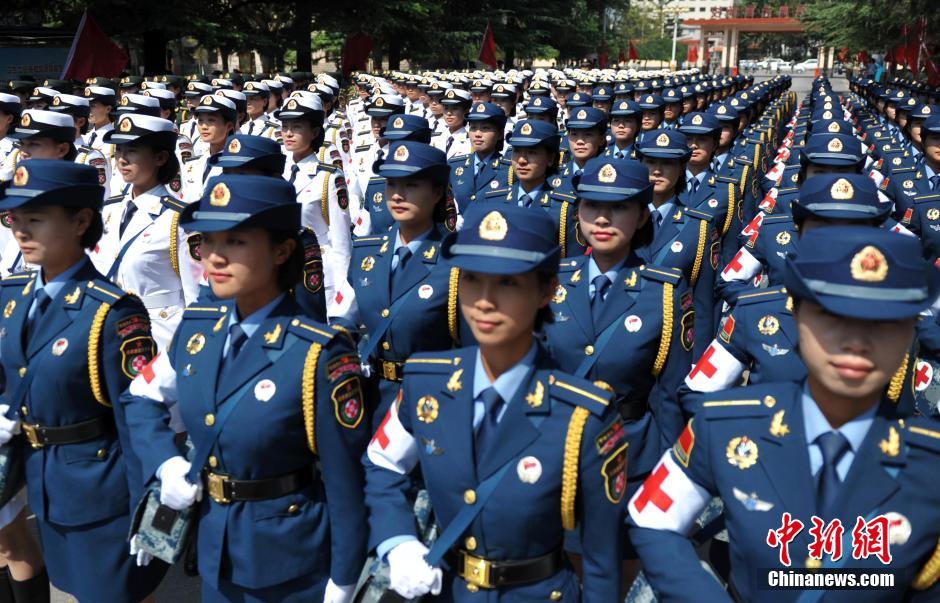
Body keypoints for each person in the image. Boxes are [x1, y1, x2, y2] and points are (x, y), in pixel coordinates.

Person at [629, 226, 940, 602]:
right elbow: (652, 519)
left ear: (911, 331)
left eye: (883, 323)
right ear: (797, 313)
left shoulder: (929, 468)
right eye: (832, 314)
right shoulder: (724, 426)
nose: (857, 342)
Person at [121, 174, 370, 602]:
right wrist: (165, 464)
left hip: (290, 565)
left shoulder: (318, 353)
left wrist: (345, 579)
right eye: (209, 241)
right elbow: (141, 398)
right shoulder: (198, 332)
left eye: (235, 241)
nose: (215, 257)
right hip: (217, 551)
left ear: (282, 250)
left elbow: (347, 480)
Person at [363, 203, 623, 600]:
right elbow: (383, 463)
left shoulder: (582, 416)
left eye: (507, 283)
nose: (484, 300)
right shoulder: (426, 381)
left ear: (547, 290)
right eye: (471, 279)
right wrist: (397, 541)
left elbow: (601, 561)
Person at [0, 160, 166, 601]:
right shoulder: (12, 296)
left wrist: (147, 514)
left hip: (102, 496)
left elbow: (138, 419)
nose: (20, 229)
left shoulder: (112, 313)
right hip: (44, 484)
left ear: (80, 221)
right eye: (15, 216)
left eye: (36, 217)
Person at [544, 156, 693, 499]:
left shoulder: (664, 292)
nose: (602, 218)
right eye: (591, 204)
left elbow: (669, 396)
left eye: (619, 207)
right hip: (553, 449)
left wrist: (668, 480)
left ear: (641, 215)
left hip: (628, 458)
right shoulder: (553, 281)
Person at [336, 141, 460, 423]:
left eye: (411, 185)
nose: (398, 195)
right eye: (391, 184)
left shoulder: (454, 262)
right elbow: (342, 318)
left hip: (430, 405)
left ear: (438, 192)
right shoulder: (367, 252)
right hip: (370, 399)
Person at [91, 114, 201, 351]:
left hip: (159, 336)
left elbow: (196, 295)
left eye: (132, 150)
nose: (121, 159)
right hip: (106, 328)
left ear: (160, 157)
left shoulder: (180, 219)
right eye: (119, 150)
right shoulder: (109, 209)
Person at [279, 93, 352, 318]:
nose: (288, 133)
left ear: (314, 132)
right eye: (285, 126)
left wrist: (343, 295)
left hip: (316, 273)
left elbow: (341, 243)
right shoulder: (276, 171)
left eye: (297, 126)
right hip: (279, 272)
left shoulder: (329, 177)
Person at [449, 102, 507, 208]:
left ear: (499, 134)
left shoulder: (509, 169)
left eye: (485, 128)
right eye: (473, 128)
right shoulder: (455, 165)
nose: (478, 134)